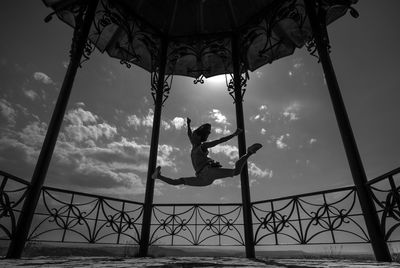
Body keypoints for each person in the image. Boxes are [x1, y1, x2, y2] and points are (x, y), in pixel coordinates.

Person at [152, 118, 262, 187]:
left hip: (208, 172)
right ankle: (158, 176)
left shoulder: (202, 146)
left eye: (195, 136)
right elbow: (189, 134)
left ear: (198, 138)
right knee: (177, 181)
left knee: (236, 171)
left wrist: (234, 134)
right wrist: (188, 124)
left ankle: (249, 153)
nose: (192, 137)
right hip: (202, 178)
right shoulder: (194, 145)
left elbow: (219, 141)